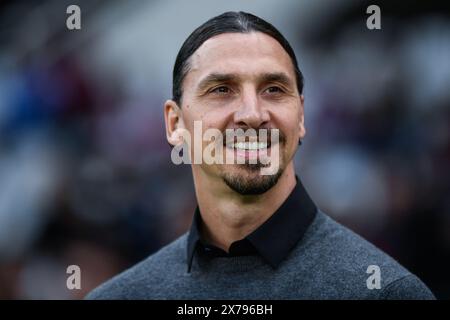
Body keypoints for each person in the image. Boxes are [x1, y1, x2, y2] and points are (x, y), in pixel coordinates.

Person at [86, 11, 434, 299]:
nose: (252, 114)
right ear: (175, 123)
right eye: (222, 89)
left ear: (301, 117)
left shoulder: (385, 292)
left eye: (273, 89)